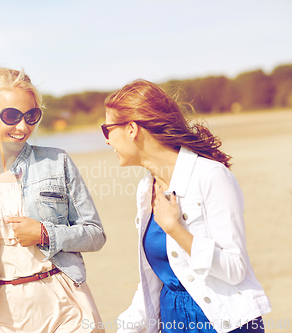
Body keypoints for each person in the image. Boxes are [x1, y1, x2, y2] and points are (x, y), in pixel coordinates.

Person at [0, 67, 106, 333]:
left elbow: (95, 234)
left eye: (31, 116)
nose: (23, 126)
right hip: (4, 317)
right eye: (11, 116)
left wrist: (45, 233)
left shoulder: (57, 161)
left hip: (66, 305)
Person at [102, 79, 271, 333]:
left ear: (131, 129)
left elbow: (235, 269)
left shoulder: (212, 175)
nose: (106, 141)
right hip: (172, 323)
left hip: (222, 323)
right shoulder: (146, 189)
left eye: (107, 130)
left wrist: (175, 229)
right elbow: (155, 278)